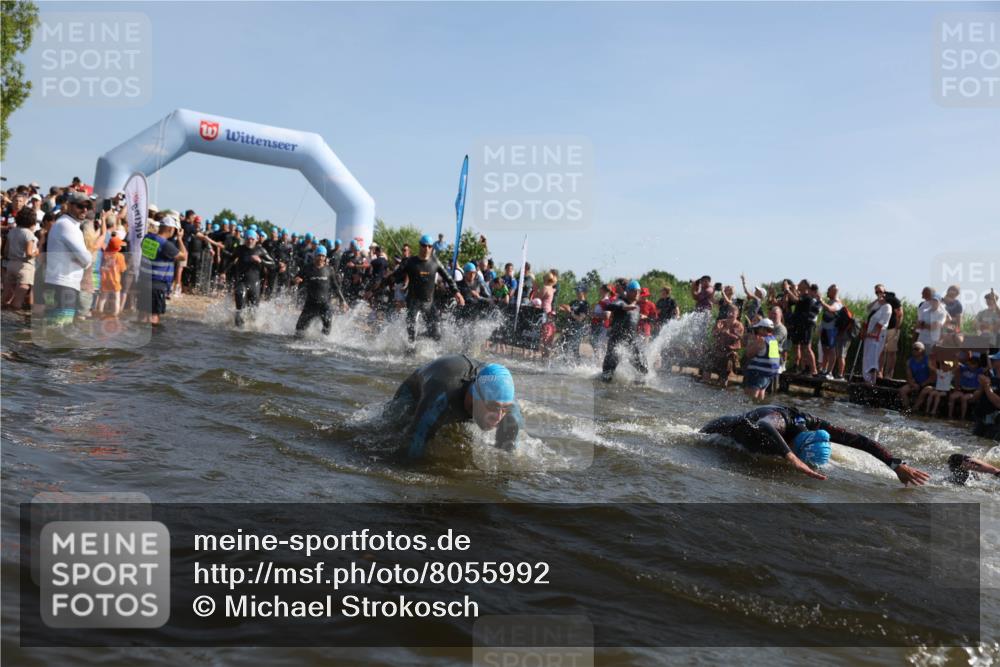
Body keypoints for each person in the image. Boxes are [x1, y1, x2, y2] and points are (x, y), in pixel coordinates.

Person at [700, 405, 931, 484]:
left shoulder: (814, 423)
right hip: (721, 431)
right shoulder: (781, 424)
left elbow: (859, 440)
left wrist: (895, 464)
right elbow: (764, 425)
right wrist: (791, 459)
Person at [388, 355, 523, 459]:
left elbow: (506, 461)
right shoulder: (443, 394)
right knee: (392, 430)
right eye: (493, 406)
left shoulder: (509, 410)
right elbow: (410, 452)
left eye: (505, 408)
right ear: (476, 396)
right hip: (414, 392)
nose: (499, 417)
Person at [377, 234, 464, 344]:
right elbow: (394, 276)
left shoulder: (435, 262)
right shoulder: (411, 262)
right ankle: (410, 347)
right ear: (420, 246)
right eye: (423, 245)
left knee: (436, 334)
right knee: (411, 331)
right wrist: (378, 288)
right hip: (413, 302)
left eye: (429, 246)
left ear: (432, 247)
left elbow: (449, 278)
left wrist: (457, 293)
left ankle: (419, 340)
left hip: (429, 303)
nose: (426, 248)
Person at [43, 191, 93, 325]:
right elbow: (86, 258)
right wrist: (84, 260)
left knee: (52, 327)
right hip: (63, 284)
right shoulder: (67, 225)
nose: (85, 210)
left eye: (87, 207)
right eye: (80, 206)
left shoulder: (67, 224)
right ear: (70, 206)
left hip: (58, 283)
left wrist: (83, 259)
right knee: (60, 330)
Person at [138, 214, 186, 326]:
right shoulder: (166, 245)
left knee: (142, 315)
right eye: (174, 229)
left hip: (144, 282)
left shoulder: (147, 238)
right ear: (170, 229)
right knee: (154, 316)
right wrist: (180, 239)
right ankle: (153, 341)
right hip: (157, 285)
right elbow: (184, 256)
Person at [293, 244, 347, 337]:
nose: (321, 258)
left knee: (327, 330)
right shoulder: (307, 268)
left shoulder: (329, 269)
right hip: (310, 304)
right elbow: (295, 279)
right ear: (315, 255)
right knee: (299, 330)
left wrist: (343, 301)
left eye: (323, 256)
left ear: (325, 257)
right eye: (319, 255)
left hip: (325, 305)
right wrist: (295, 280)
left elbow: (335, 286)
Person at [601, 280, 648, 382]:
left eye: (639, 291)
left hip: (631, 341)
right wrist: (623, 307)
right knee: (607, 374)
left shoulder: (637, 307)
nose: (637, 294)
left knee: (644, 368)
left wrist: (643, 317)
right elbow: (609, 306)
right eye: (634, 291)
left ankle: (639, 387)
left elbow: (632, 319)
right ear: (628, 291)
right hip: (616, 341)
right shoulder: (621, 302)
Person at [232, 230, 275, 327]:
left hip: (255, 284)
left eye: (252, 239)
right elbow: (231, 259)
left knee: (253, 313)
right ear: (245, 239)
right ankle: (238, 330)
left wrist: (260, 260)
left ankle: (250, 329)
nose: (250, 241)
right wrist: (222, 272)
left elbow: (272, 264)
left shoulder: (261, 250)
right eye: (248, 238)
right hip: (242, 282)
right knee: (240, 307)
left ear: (256, 240)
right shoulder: (239, 249)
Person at [1, 207, 39, 311]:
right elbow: (29, 253)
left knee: (7, 294)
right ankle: (14, 319)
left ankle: (4, 314)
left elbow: (5, 252)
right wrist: (37, 252)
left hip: (10, 264)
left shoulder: (12, 232)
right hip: (24, 266)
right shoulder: (29, 234)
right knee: (19, 296)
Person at [705, 303, 744, 388]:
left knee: (724, 376)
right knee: (707, 369)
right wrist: (718, 330)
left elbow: (738, 338)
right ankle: (705, 388)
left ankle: (722, 389)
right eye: (729, 312)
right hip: (717, 350)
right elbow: (713, 334)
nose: (730, 314)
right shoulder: (721, 322)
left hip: (729, 352)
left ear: (737, 314)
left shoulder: (739, 325)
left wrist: (728, 333)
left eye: (733, 312)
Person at [743, 318, 781, 400]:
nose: (757, 330)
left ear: (763, 329)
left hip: (758, 374)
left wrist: (751, 340)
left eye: (758, 328)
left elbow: (748, 354)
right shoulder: (773, 341)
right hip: (768, 376)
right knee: (760, 397)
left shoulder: (761, 340)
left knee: (750, 398)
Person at [862, 285, 891, 384]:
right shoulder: (877, 305)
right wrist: (877, 300)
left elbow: (882, 323)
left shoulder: (887, 307)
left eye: (881, 292)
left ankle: (872, 380)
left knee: (873, 357)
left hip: (877, 336)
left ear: (885, 292)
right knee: (867, 356)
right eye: (876, 292)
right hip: (869, 335)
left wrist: (872, 333)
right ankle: (867, 378)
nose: (879, 294)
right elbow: (867, 309)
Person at [95, 235, 126, 317]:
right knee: (116, 298)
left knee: (103, 298)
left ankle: (100, 312)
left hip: (105, 279)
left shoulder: (105, 254)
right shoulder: (120, 256)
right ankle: (115, 314)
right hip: (115, 280)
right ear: (118, 248)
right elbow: (123, 269)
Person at [949, 353, 986, 421]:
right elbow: (957, 365)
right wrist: (956, 357)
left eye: (973, 363)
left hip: (972, 391)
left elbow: (988, 368)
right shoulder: (965, 368)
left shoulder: (979, 371)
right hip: (962, 389)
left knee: (964, 398)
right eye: (970, 363)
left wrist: (987, 355)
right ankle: (950, 415)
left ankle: (962, 417)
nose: (971, 365)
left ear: (977, 364)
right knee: (952, 397)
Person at [899, 342, 935, 412]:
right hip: (916, 383)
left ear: (923, 351)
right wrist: (912, 384)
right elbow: (909, 376)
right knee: (902, 390)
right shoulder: (909, 361)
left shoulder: (928, 360)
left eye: (916, 349)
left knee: (924, 391)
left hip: (928, 384)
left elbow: (933, 377)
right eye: (913, 349)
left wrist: (922, 384)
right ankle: (906, 409)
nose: (914, 351)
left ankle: (914, 409)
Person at [817, 284, 844, 377]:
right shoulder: (830, 300)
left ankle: (829, 372)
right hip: (825, 328)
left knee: (832, 351)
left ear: (834, 292)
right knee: (825, 350)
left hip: (832, 330)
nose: (827, 292)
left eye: (829, 290)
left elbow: (831, 309)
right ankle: (824, 370)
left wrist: (821, 301)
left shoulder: (837, 302)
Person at [972, 352, 1000, 440]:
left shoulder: (988, 381)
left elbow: (998, 403)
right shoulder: (990, 377)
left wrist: (986, 386)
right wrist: (982, 386)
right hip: (981, 420)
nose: (992, 361)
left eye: (995, 359)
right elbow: (974, 398)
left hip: (995, 424)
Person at [559, 286, 590, 360]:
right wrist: (563, 309)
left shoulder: (585, 304)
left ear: (583, 293)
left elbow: (580, 319)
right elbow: (568, 312)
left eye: (578, 291)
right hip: (570, 326)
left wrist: (570, 312)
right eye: (576, 291)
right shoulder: (574, 302)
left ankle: (577, 365)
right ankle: (564, 362)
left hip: (578, 328)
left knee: (574, 348)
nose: (576, 292)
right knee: (563, 345)